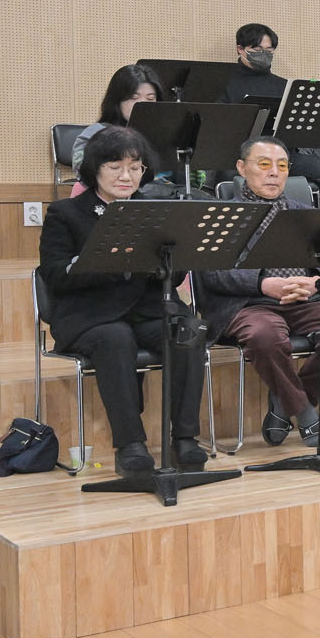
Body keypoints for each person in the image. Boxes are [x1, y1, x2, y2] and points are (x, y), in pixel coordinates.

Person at [38, 128, 209, 477]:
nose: (126, 176)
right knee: (115, 337)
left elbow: (175, 275)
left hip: (148, 311)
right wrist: (111, 263)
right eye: (115, 167)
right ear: (94, 169)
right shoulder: (66, 213)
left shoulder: (154, 210)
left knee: (188, 330)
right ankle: (130, 445)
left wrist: (168, 258)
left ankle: (185, 439)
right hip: (91, 317)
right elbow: (55, 274)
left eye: (135, 167)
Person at [193, 135, 320, 446]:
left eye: (282, 166)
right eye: (264, 164)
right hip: (249, 304)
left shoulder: (305, 213)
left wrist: (316, 282)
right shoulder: (222, 215)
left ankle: (283, 405)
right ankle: (306, 414)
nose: (274, 172)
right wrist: (262, 283)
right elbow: (213, 274)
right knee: (265, 336)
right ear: (241, 168)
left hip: (305, 299)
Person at [71, 63, 168, 171]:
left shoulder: (164, 133)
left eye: (150, 99)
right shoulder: (96, 133)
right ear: (117, 100)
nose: (143, 105)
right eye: (133, 98)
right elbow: (84, 172)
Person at [225, 23, 287, 105]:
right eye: (257, 49)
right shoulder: (224, 82)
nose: (264, 54)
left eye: (269, 51)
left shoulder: (284, 86)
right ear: (240, 49)